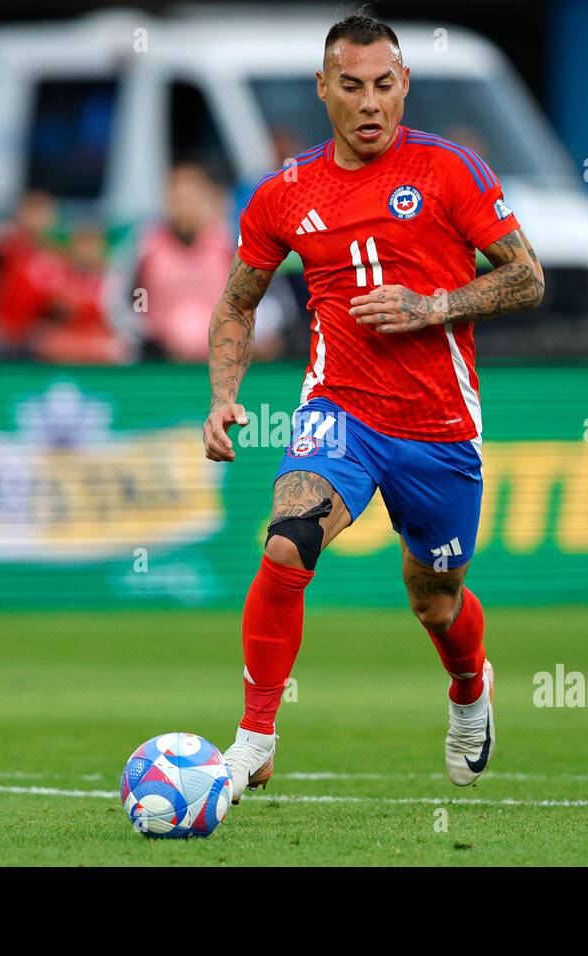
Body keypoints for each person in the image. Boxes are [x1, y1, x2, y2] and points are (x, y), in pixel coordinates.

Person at [202, 14, 544, 799]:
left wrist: (434, 306)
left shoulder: (452, 171)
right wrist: (224, 398)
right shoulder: (285, 194)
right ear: (323, 89)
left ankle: (469, 691)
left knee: (434, 599)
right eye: (351, 86)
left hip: (440, 428)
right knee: (288, 540)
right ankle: (256, 736)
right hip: (339, 409)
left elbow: (528, 278)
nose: (369, 103)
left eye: (384, 85)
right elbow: (236, 305)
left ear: (405, 87)